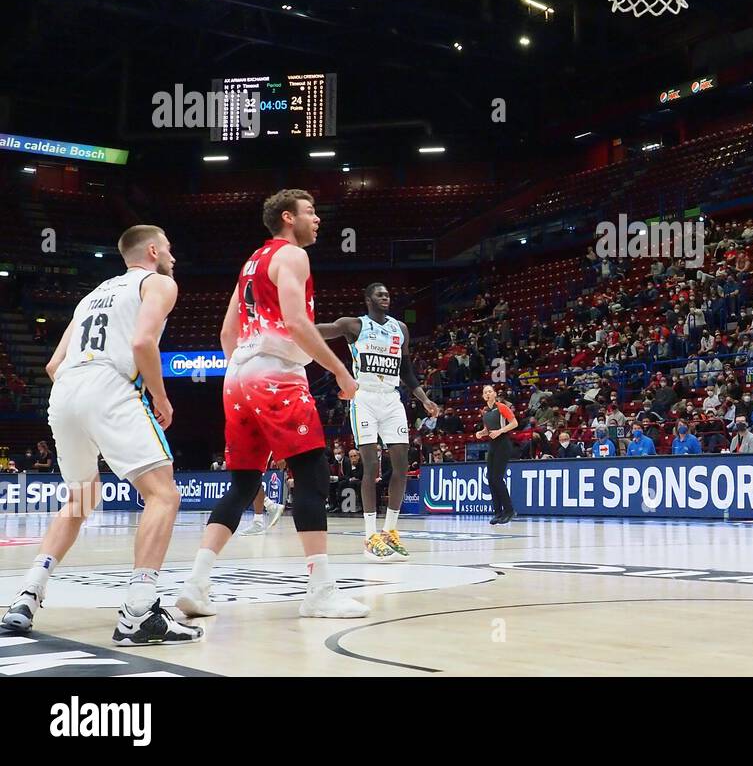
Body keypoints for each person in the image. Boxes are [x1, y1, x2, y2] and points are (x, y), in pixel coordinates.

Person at [2, 225, 202, 645]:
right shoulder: (159, 282)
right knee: (164, 495)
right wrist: (160, 399)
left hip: (66, 392)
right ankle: (139, 610)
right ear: (152, 251)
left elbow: (54, 366)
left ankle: (27, 594)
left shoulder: (92, 296)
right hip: (107, 387)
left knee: (81, 498)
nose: (173, 257)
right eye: (169, 248)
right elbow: (144, 342)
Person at [177, 191, 367, 619]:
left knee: (244, 485)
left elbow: (227, 335)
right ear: (288, 217)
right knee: (312, 473)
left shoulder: (250, 264)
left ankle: (196, 583)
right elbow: (297, 324)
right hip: (274, 375)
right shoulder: (292, 256)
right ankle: (319, 590)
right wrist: (339, 370)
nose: (317, 219)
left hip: (238, 376)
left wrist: (247, 367)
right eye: (310, 212)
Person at [316, 282, 438, 560]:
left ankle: (390, 531)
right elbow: (323, 330)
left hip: (392, 398)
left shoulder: (400, 329)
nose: (386, 297)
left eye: (388, 294)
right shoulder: (354, 325)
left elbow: (406, 371)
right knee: (370, 467)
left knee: (402, 465)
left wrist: (424, 399)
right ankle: (370, 535)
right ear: (368, 298)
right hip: (365, 398)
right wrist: (295, 327)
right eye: (380, 294)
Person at [475, 384, 519, 524]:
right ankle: (498, 512)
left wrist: (500, 431)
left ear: (494, 394)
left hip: (503, 443)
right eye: (485, 392)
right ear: (483, 396)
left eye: (490, 391)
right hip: (493, 444)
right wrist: (481, 433)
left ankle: (509, 511)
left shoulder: (501, 407)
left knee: (497, 478)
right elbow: (488, 429)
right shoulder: (485, 411)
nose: (487, 394)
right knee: (490, 478)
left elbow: (514, 423)